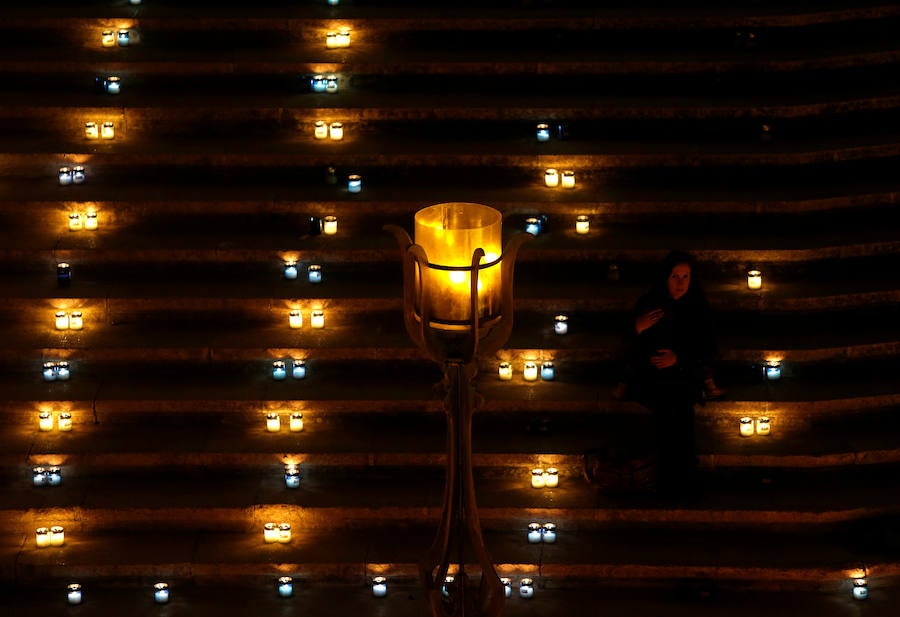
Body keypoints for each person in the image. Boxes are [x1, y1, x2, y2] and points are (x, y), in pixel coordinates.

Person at [612, 250, 723, 492]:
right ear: (665, 278)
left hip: (684, 374)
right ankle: (667, 473)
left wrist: (679, 358)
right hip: (651, 376)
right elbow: (628, 348)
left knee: (680, 405)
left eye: (685, 277)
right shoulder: (650, 305)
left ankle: (682, 474)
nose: (680, 283)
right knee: (667, 402)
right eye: (675, 276)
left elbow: (707, 348)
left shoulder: (697, 308)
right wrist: (637, 329)